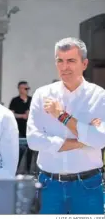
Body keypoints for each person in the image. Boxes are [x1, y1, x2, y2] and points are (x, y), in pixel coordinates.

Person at [27, 37, 105, 214]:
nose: (64, 67)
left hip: (87, 185)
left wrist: (61, 116)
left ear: (84, 64)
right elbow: (33, 140)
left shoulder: (99, 96)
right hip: (49, 185)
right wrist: (81, 140)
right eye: (60, 61)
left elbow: (100, 140)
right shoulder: (42, 95)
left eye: (71, 61)